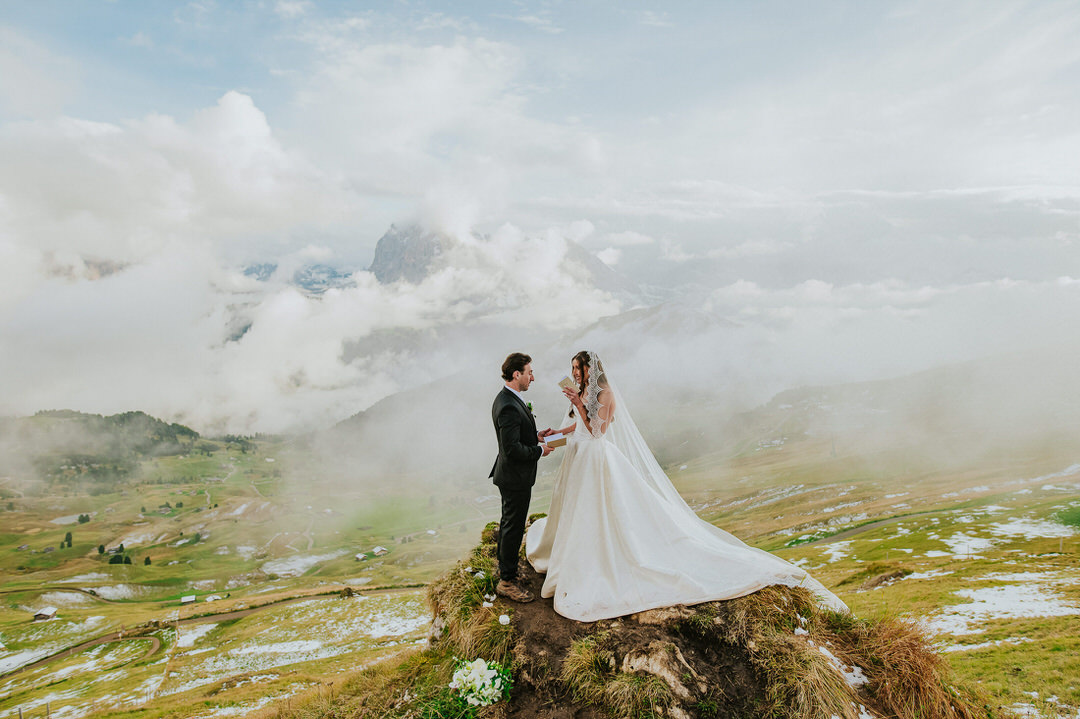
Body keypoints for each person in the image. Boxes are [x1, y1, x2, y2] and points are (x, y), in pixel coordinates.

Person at [525, 350, 848, 622]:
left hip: (596, 459)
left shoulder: (605, 395)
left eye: (577, 370)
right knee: (578, 510)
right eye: (571, 371)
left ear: (590, 370)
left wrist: (579, 404)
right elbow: (579, 427)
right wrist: (559, 431)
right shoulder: (581, 394)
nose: (574, 375)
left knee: (602, 511)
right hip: (579, 459)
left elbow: (597, 431)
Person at [490, 352, 554, 603]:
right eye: (529, 372)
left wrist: (536, 435)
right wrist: (540, 450)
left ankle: (507, 572)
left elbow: (516, 437)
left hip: (513, 476)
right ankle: (506, 581)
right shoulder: (507, 404)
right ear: (517, 374)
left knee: (510, 524)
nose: (532, 377)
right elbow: (511, 450)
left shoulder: (509, 398)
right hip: (514, 477)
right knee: (512, 527)